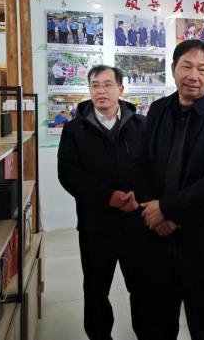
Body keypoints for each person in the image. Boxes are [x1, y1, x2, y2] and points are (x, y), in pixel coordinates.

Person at [129, 39, 204, 340]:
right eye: (186, 66)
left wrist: (167, 210)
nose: (193, 75)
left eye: (202, 69)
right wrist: (153, 209)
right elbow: (140, 164)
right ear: (173, 69)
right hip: (156, 236)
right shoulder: (158, 110)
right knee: (155, 321)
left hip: (202, 239)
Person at [57, 65, 147, 340]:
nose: (101, 91)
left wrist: (138, 196)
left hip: (136, 222)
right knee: (96, 289)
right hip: (95, 223)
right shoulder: (74, 129)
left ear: (121, 89)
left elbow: (152, 168)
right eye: (95, 85)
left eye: (108, 85)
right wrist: (107, 196)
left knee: (142, 287)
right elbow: (68, 174)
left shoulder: (141, 125)